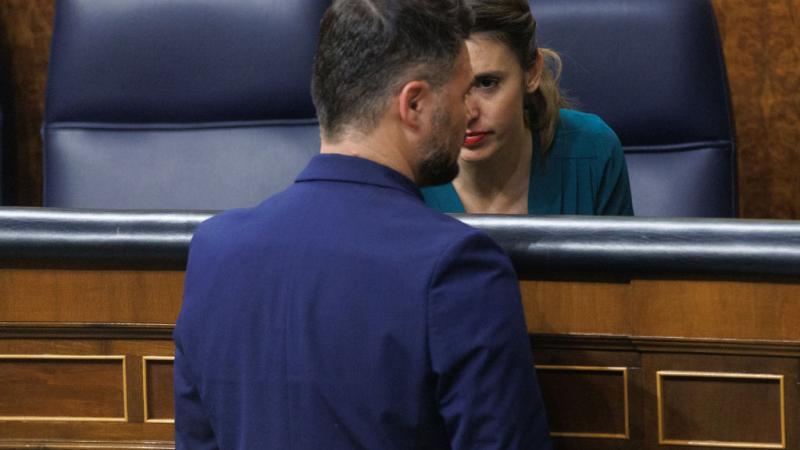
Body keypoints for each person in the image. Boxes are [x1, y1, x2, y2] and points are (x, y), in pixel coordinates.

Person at [173, 0, 553, 449]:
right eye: (460, 94)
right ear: (415, 104)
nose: (466, 113)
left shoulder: (214, 250)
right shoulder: (459, 268)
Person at [422, 0, 634, 215]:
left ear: (532, 73)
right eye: (445, 85)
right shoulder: (406, 168)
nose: (468, 113)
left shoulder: (593, 150)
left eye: (487, 83)